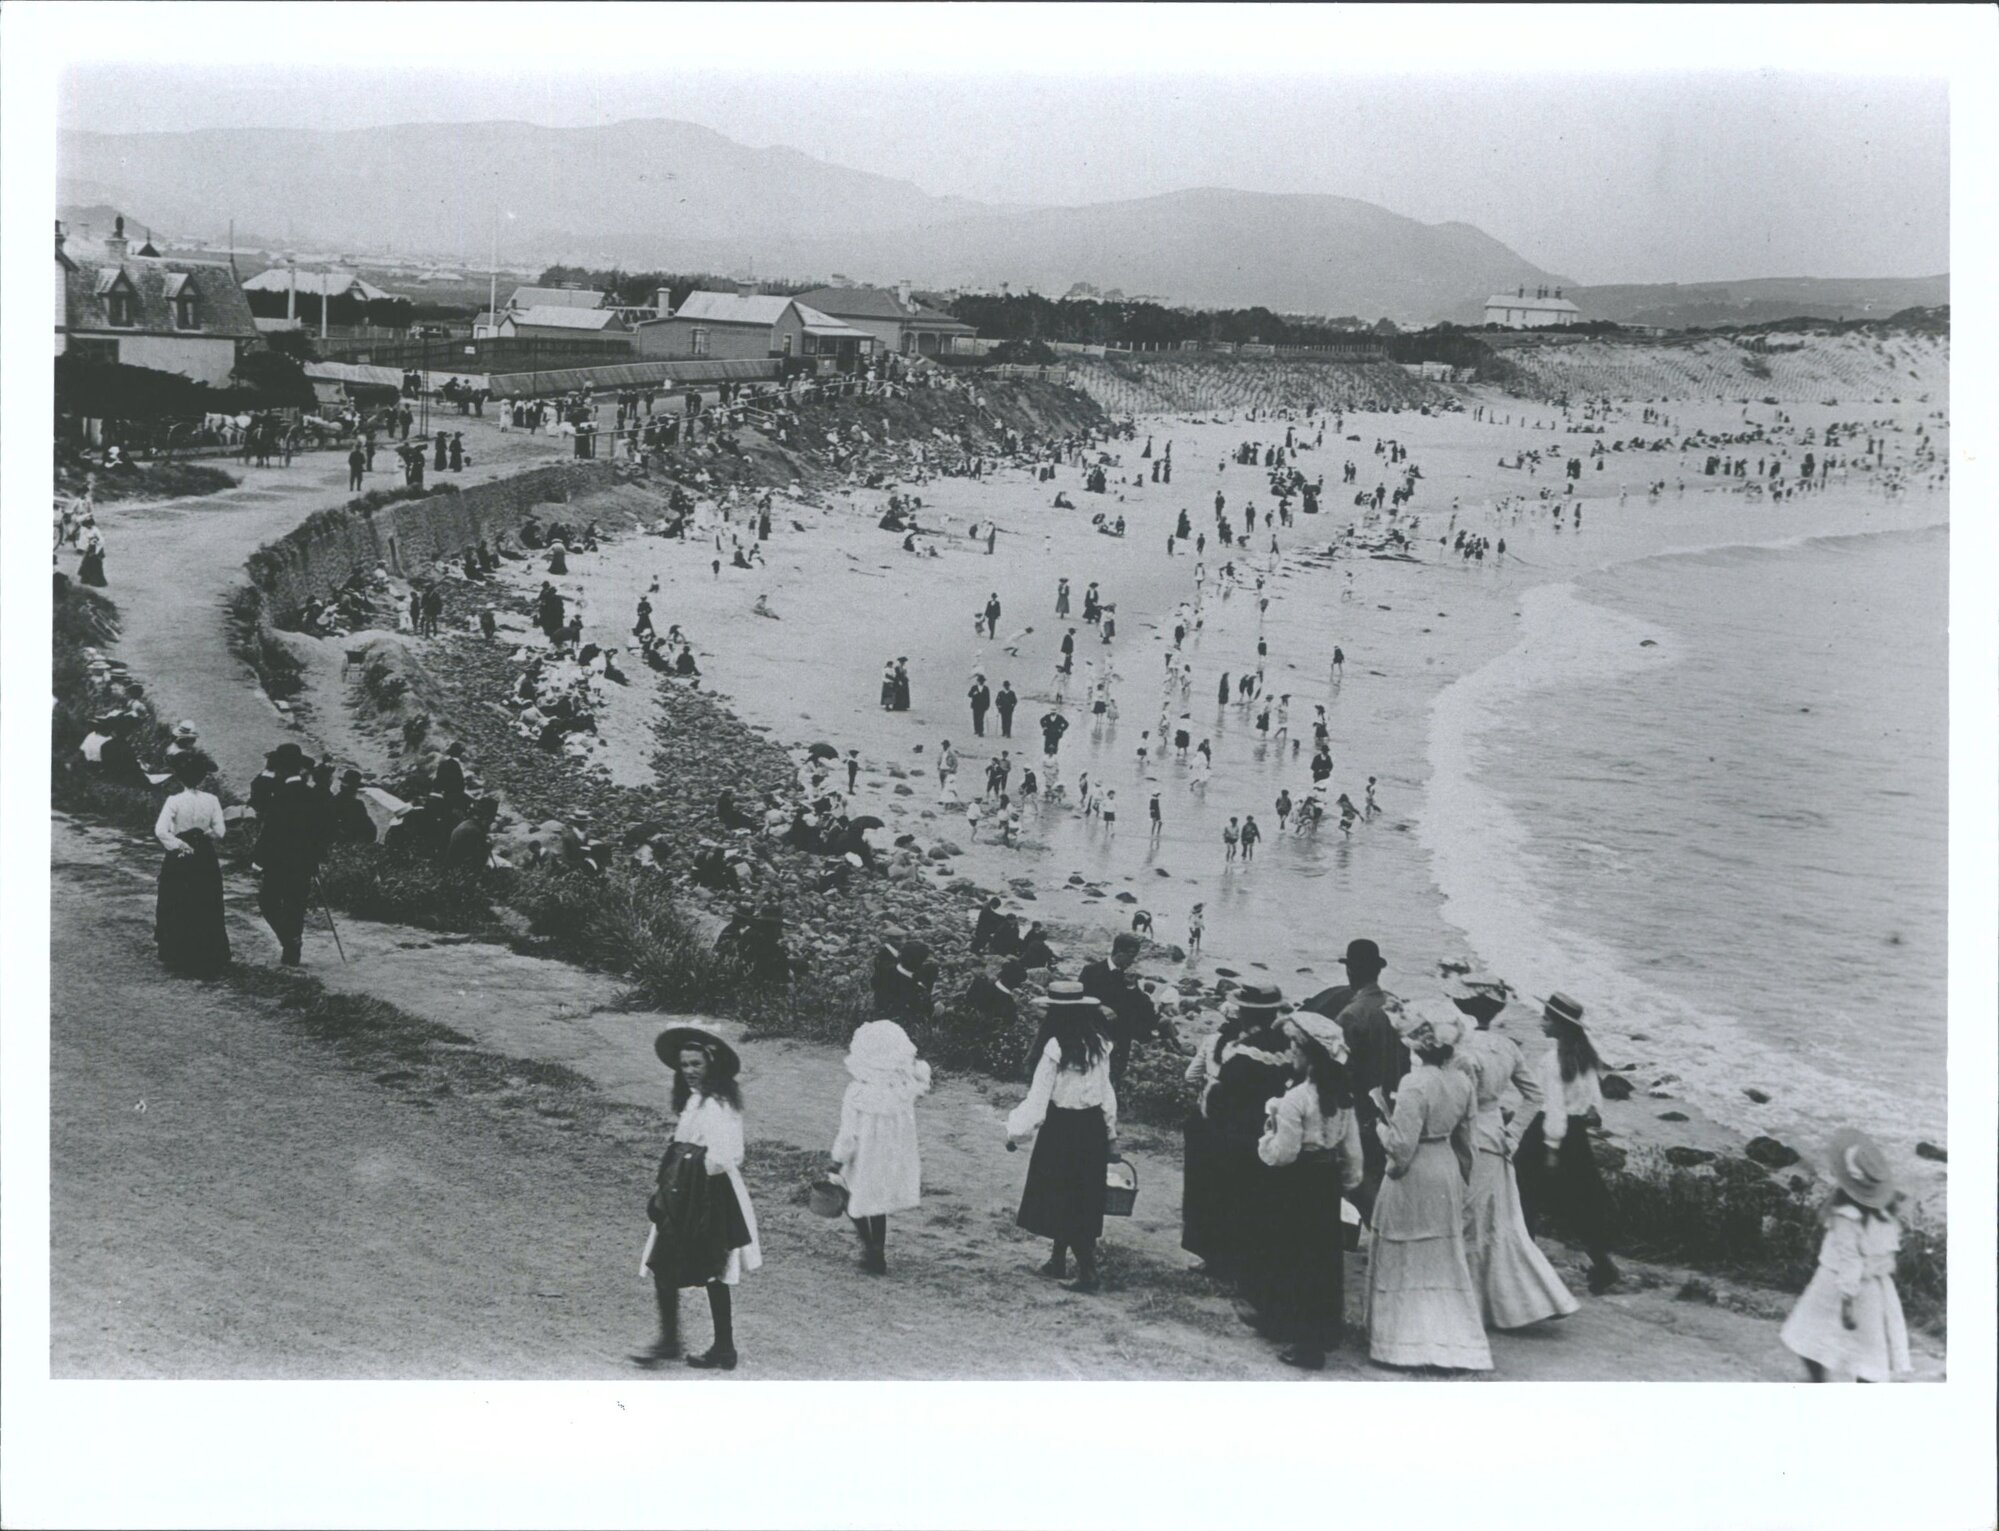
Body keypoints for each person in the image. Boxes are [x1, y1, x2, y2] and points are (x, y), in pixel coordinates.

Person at [1364, 1001, 1492, 1372]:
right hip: (1445, 1167)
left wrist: (1380, 1128)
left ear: (1418, 1044)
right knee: (1440, 1256)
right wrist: (1462, 1180)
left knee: (1405, 1250)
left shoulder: (1414, 1083)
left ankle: (1401, 1342)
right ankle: (1448, 1338)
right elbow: (1468, 1141)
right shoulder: (1462, 1082)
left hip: (1417, 1170)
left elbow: (1402, 1146)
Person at [1449, 975, 1578, 1330]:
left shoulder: (1459, 1046)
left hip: (1464, 1136)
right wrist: (1514, 1132)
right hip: (1495, 1137)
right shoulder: (1508, 1047)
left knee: (1464, 1218)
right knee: (1500, 1221)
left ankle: (1471, 1304)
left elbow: (1455, 1098)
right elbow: (1534, 1096)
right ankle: (1510, 1302)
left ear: (1466, 1008)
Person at [635, 1027, 761, 1371]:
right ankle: (678, 1340)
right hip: (686, 1190)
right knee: (670, 1261)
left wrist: (692, 1161)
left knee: (714, 1268)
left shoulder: (719, 1105)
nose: (689, 1070)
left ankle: (717, 1345)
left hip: (708, 1194)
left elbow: (728, 1154)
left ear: (712, 1064)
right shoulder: (695, 1100)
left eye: (696, 1063)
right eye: (684, 1065)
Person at [1247, 1011, 1366, 1369]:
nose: (1291, 1052)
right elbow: (1352, 1151)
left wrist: (1265, 1138)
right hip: (1325, 1181)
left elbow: (1284, 1153)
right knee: (1321, 1258)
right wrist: (1346, 1183)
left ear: (1309, 1053)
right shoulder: (1341, 1096)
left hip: (1297, 1181)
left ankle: (1298, 1336)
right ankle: (1317, 1331)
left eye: (1295, 1046)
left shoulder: (1297, 1098)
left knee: (1290, 1253)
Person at [1006, 982, 1117, 1293]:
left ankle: (1088, 1272)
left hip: (1062, 1128)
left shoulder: (1054, 1047)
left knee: (1063, 1195)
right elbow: (1107, 1094)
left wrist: (1015, 1132)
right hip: (1092, 1127)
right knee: (1082, 1195)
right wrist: (1111, 1135)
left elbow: (1038, 1099)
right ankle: (1058, 1260)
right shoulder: (1098, 1043)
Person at [1779, 1129, 1912, 1382]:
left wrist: (1848, 1300)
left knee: (1808, 1333)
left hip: (1836, 1282)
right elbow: (1888, 1256)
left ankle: (1818, 1382)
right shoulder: (1885, 1213)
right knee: (1870, 1350)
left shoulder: (1846, 1216)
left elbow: (1849, 1258)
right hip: (1876, 1288)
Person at [1180, 983, 1293, 1281]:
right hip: (1264, 1129)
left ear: (1244, 1013)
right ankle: (1247, 1258)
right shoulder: (1284, 1045)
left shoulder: (1242, 1052)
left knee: (1217, 1193)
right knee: (1253, 1195)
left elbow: (1220, 1096)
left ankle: (1218, 1258)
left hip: (1229, 1132)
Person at [1513, 992, 1622, 1294]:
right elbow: (1594, 1105)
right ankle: (1603, 1264)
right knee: (1578, 1203)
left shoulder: (1552, 1061)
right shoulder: (1586, 1056)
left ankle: (1528, 1267)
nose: (1541, 1022)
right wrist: (1581, 1124)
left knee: (1524, 1196)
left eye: (1546, 1018)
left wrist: (1550, 1147)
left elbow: (1554, 1108)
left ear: (1560, 1025)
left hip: (1548, 1134)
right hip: (1575, 1137)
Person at [1308, 939, 1406, 1221]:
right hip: (1393, 1105)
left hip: (1359, 1108)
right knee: (1376, 1174)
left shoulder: (1351, 1015)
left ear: (1350, 971)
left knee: (1355, 1179)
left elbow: (1338, 1070)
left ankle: (1382, 1235)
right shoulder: (1395, 1006)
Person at [829, 1020, 932, 1275]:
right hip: (890, 1155)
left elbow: (848, 1134)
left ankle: (868, 1246)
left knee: (851, 1197)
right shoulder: (903, 1090)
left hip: (862, 1157)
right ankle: (878, 1250)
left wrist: (837, 1161)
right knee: (877, 1204)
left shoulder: (857, 1092)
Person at [153, 753, 230, 978]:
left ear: (179, 778)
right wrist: (205, 835)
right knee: (206, 900)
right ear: (203, 777)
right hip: (204, 855)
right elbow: (221, 831)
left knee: (177, 899)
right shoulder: (212, 800)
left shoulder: (174, 801)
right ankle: (207, 953)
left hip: (181, 855)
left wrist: (179, 844)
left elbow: (160, 830)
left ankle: (177, 953)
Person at [251, 743, 322, 966]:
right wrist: (317, 859)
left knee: (268, 901)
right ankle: (293, 952)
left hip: (278, 861)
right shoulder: (313, 795)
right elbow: (321, 831)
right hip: (304, 861)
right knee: (296, 905)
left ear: (280, 768)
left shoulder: (279, 795)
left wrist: (258, 860)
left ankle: (289, 942)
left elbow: (270, 830)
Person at [1079, 931, 1160, 1090]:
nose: (1133, 960)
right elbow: (1079, 1000)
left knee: (1115, 1074)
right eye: (1131, 955)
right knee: (1090, 1073)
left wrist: (1132, 987)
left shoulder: (1130, 977)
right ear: (1120, 952)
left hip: (1122, 1036)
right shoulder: (1091, 971)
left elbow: (1143, 1008)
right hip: (1095, 1032)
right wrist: (1099, 1006)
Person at [330, 767, 377, 845]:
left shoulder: (332, 801)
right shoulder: (357, 805)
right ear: (354, 789)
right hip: (350, 843)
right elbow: (370, 830)